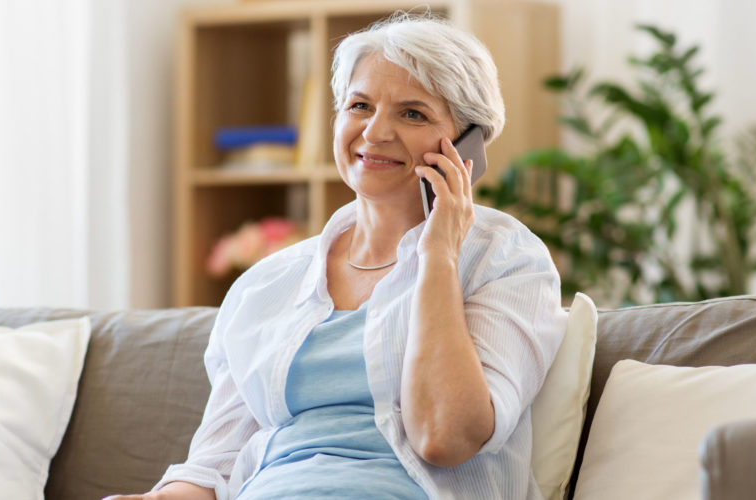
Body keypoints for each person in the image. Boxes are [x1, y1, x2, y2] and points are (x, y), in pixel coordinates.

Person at [106, 12, 565, 500]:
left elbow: (445, 436)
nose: (373, 133)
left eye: (413, 114)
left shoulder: (504, 257)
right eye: (360, 105)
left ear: (467, 144)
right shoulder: (268, 283)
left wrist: (437, 257)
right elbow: (213, 466)